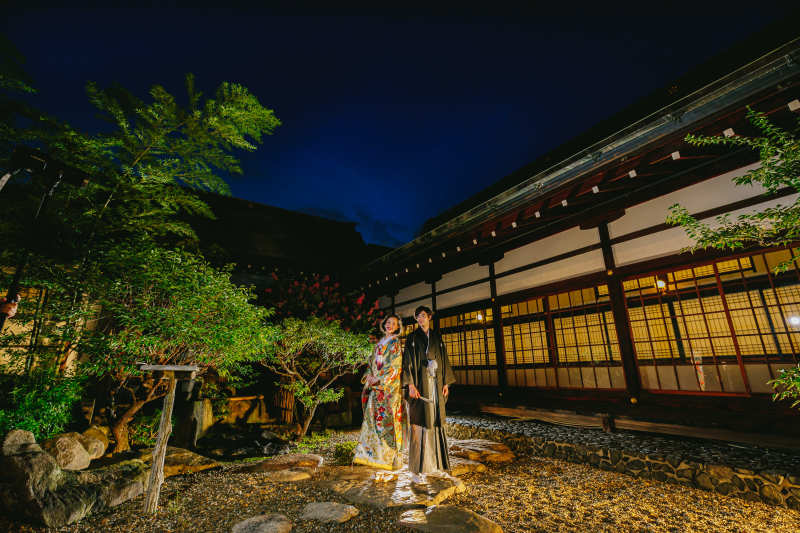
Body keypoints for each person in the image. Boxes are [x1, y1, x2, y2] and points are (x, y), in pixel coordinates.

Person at [402, 305, 455, 484]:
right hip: (420, 384)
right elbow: (407, 360)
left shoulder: (437, 337)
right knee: (419, 423)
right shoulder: (412, 338)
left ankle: (437, 467)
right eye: (418, 317)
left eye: (423, 316)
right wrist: (409, 384)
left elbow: (444, 358)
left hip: (436, 384)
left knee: (436, 422)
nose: (420, 319)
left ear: (429, 317)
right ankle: (416, 470)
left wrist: (446, 382)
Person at [353, 314, 405, 470]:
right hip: (375, 388)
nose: (390, 325)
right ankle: (373, 455)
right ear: (384, 324)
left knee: (388, 422)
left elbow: (395, 366)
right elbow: (371, 363)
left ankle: (391, 457)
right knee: (372, 420)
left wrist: (380, 380)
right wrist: (368, 376)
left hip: (387, 389)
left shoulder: (395, 343)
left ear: (397, 327)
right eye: (388, 322)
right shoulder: (378, 344)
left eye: (393, 323)